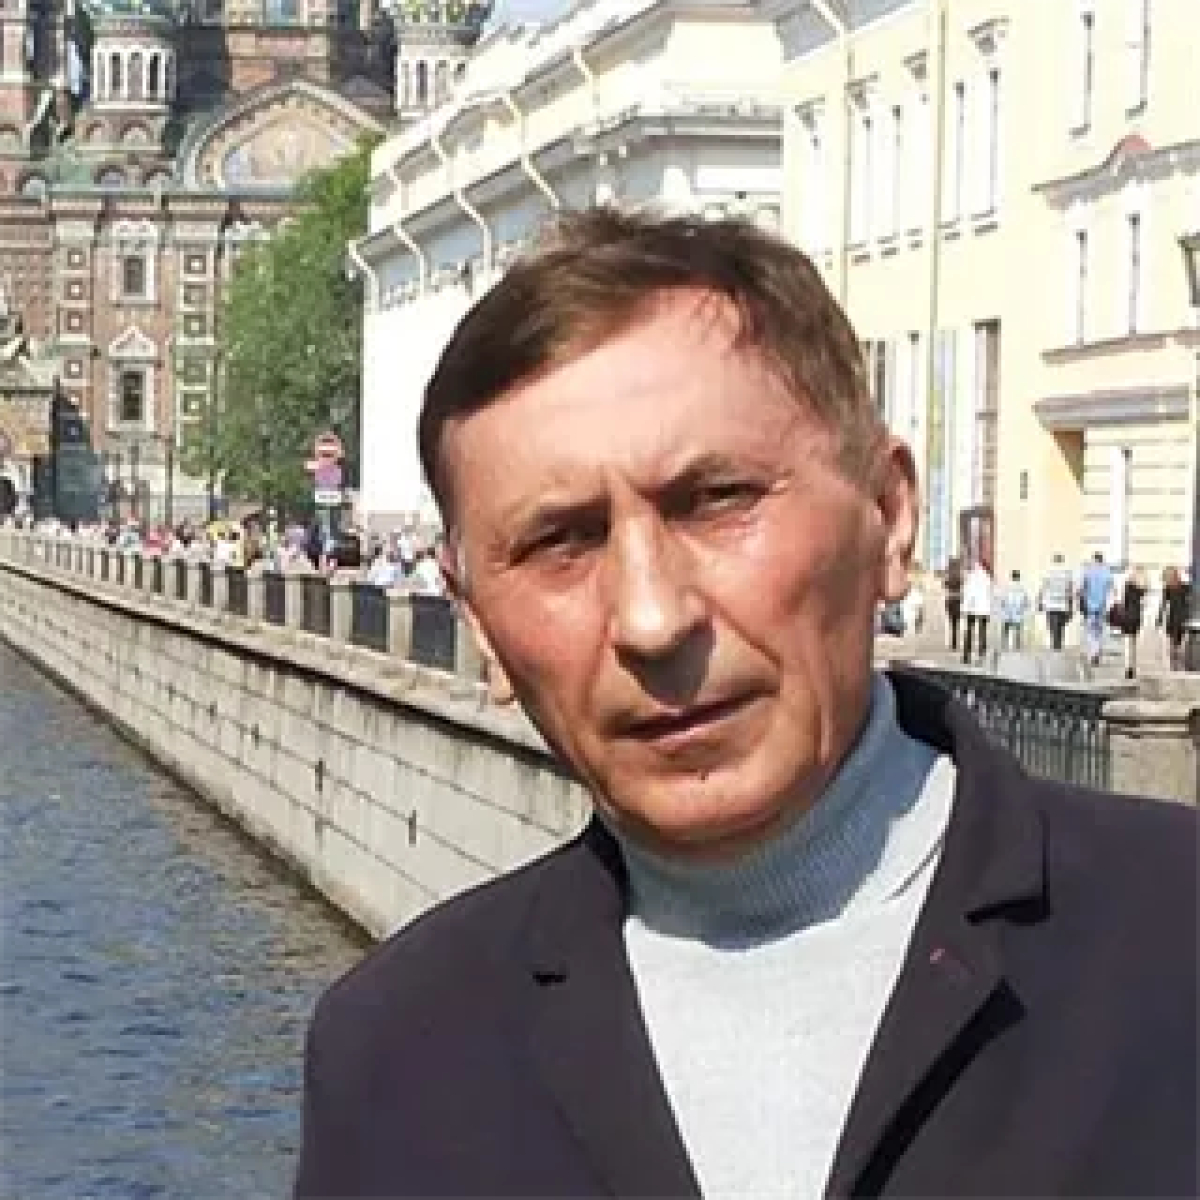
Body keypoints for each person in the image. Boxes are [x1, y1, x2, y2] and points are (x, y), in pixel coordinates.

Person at [295, 208, 1196, 1198]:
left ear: (889, 517)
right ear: (477, 621)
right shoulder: (401, 1056)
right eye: (560, 542)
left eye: (716, 500)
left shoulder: (1174, 938)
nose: (652, 620)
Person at [1078, 551, 1113, 667]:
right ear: (1102, 560)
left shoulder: (1088, 571)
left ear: (1094, 560)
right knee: (1099, 630)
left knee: (1090, 630)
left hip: (1090, 606)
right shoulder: (1107, 572)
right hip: (1102, 606)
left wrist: (1080, 596)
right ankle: (1097, 651)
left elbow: (1081, 588)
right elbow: (1111, 588)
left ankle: (1094, 652)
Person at [1117, 566, 1148, 680]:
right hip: (1137, 617)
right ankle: (1133, 667)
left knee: (1127, 642)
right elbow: (1144, 604)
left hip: (1127, 616)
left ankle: (1128, 667)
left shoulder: (1128, 585)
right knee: (1134, 643)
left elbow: (1123, 602)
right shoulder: (1142, 589)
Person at [1038, 551, 1074, 651]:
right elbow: (1070, 588)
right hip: (1062, 601)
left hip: (1050, 601)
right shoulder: (1067, 572)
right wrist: (1070, 602)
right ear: (1062, 560)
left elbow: (1043, 587)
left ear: (1054, 560)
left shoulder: (1048, 572)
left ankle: (1054, 641)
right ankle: (1058, 643)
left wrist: (1040, 601)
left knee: (1051, 623)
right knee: (1061, 624)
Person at [960, 556, 993, 666]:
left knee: (969, 631)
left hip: (972, 608)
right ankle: (981, 656)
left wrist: (964, 608)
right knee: (982, 632)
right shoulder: (987, 578)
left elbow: (968, 593)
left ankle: (966, 656)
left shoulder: (971, 577)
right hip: (984, 609)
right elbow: (991, 595)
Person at [1158, 565, 1189, 670]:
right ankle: (1176, 661)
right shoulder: (1185, 586)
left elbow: (1163, 604)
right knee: (1179, 641)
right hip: (1183, 616)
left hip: (1174, 616)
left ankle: (1174, 663)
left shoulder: (1169, 588)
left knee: (1174, 641)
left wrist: (1159, 618)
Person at [998, 568, 1030, 652]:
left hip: (1007, 611)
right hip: (1018, 611)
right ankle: (1017, 646)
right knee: (1018, 629)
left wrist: (1003, 607)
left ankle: (1004, 645)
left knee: (1006, 628)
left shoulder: (1006, 586)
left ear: (1012, 577)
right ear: (1019, 577)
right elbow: (1026, 601)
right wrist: (1023, 608)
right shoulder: (1022, 588)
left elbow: (1002, 599)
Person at [942, 556, 962, 651]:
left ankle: (952, 643)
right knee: (956, 624)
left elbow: (944, 585)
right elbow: (963, 585)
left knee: (951, 623)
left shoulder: (949, 577)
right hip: (958, 600)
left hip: (950, 600)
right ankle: (955, 642)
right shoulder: (959, 577)